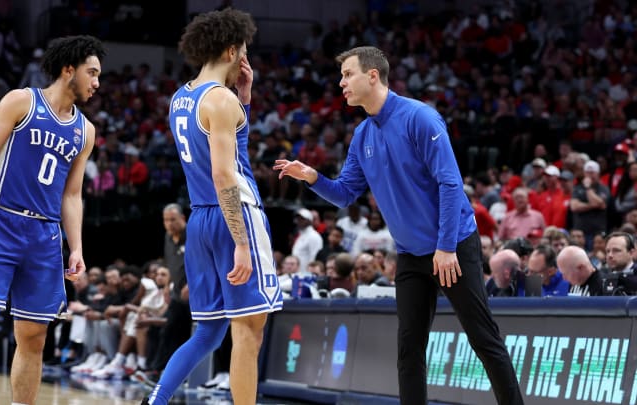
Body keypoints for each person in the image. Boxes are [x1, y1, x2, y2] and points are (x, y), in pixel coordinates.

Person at [274, 46, 523, 404]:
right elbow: (345, 194)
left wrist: (447, 246)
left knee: (484, 340)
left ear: (372, 75)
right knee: (408, 350)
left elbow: (450, 183)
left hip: (451, 246)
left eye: (347, 74)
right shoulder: (362, 135)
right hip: (410, 256)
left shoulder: (420, 118)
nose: (340, 82)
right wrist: (312, 177)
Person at [0, 35, 104, 405]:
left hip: (45, 236)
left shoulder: (85, 131)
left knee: (34, 337)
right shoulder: (22, 100)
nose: (97, 82)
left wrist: (77, 247)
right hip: (0, 222)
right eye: (92, 72)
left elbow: (72, 195)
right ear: (69, 69)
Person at [143, 9, 282, 405]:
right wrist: (241, 240)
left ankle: (155, 401)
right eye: (243, 51)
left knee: (208, 333)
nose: (245, 59)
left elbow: (223, 150)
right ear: (231, 49)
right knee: (248, 333)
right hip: (233, 214)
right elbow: (226, 175)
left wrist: (246, 100)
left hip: (200, 219)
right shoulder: (220, 100)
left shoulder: (180, 98)